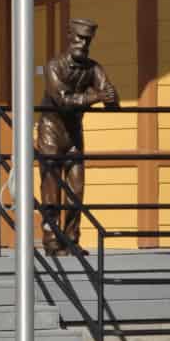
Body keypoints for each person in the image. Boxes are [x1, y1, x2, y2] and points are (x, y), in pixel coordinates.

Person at [36, 17, 118, 255]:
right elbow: (62, 100)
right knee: (52, 187)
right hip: (51, 130)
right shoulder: (54, 66)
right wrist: (97, 97)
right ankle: (51, 240)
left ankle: (71, 239)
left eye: (88, 39)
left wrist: (112, 97)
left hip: (74, 133)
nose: (83, 43)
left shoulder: (94, 68)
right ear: (70, 37)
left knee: (76, 188)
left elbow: (108, 94)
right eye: (80, 38)